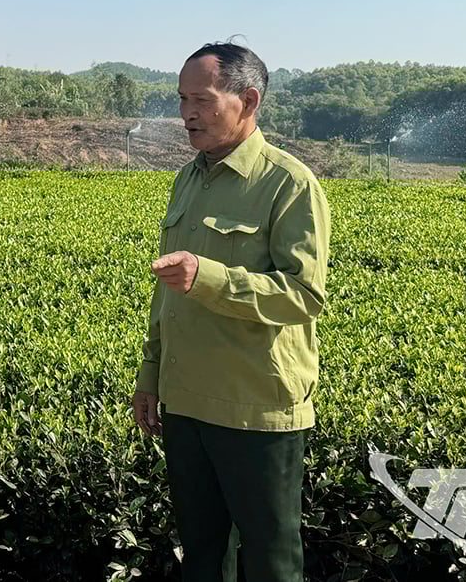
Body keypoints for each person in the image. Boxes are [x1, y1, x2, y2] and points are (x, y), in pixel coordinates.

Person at [131, 43, 331, 582]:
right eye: (180, 100)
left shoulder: (288, 184)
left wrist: (211, 278)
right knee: (201, 555)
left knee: (270, 559)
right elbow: (167, 295)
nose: (187, 113)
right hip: (186, 403)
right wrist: (150, 377)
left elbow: (304, 296)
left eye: (201, 99)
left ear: (247, 100)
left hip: (255, 410)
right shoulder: (189, 178)